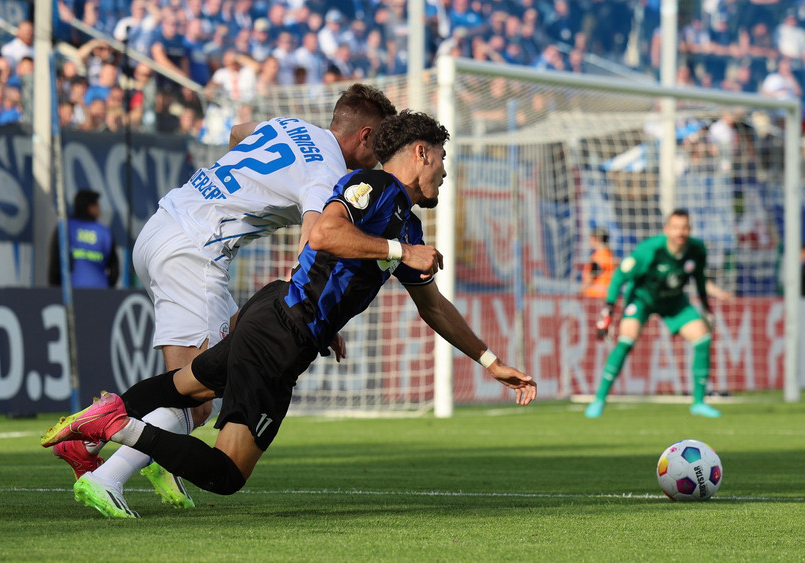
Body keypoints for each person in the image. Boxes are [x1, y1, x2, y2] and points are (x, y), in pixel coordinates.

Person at [40, 110, 537, 516]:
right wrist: (397, 256)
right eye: (442, 160)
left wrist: (491, 362)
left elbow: (432, 305)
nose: (445, 173)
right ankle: (118, 429)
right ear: (421, 152)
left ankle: (102, 415)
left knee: (185, 387)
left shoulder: (404, 224)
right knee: (226, 473)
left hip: (277, 315)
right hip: (279, 332)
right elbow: (322, 234)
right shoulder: (373, 187)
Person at [48, 83, 397, 518]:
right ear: (363, 135)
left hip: (162, 226)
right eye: (380, 145)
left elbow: (236, 133)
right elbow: (316, 238)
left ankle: (146, 459)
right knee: (201, 392)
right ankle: (105, 470)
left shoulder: (290, 126)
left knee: (196, 380)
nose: (381, 159)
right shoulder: (327, 170)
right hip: (195, 251)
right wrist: (319, 312)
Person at [585, 209, 730, 419]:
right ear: (667, 230)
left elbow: (699, 279)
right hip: (642, 299)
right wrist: (608, 310)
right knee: (626, 340)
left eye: (685, 228)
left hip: (673, 301)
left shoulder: (697, 249)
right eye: (676, 228)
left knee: (702, 338)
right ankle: (599, 398)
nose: (680, 232)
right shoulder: (650, 250)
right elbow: (619, 277)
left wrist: (707, 309)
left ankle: (698, 403)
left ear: (690, 229)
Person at [48, 189, 118, 288]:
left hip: (70, 292)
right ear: (90, 208)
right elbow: (114, 269)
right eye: (97, 205)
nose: (100, 208)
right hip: (100, 292)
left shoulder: (65, 227)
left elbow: (55, 262)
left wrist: (55, 289)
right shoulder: (104, 232)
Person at [580, 227, 616, 299]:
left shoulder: (599, 257)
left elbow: (591, 277)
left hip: (595, 296)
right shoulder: (610, 255)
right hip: (608, 294)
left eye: (590, 239)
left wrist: (580, 291)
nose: (589, 241)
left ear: (595, 239)